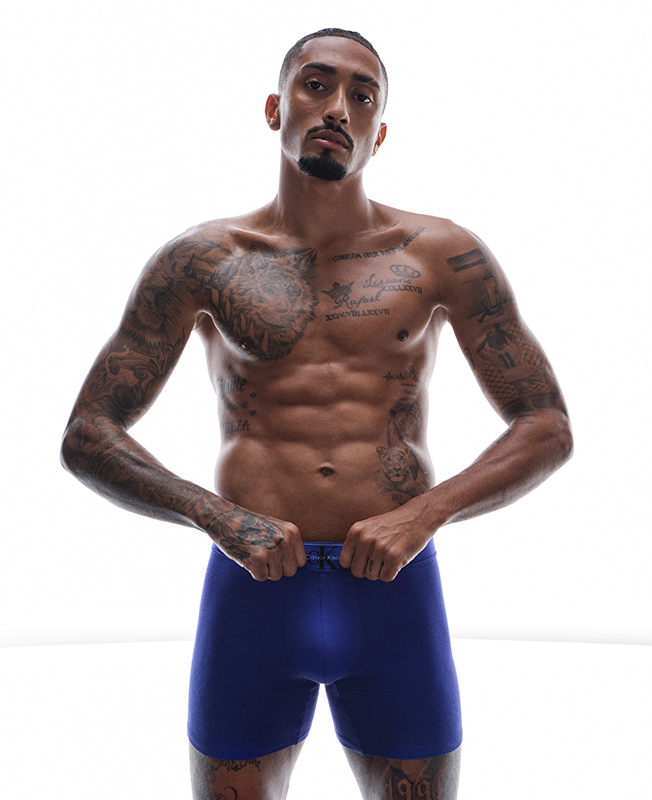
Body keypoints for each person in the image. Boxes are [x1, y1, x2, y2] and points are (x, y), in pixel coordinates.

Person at [61, 27, 572, 800]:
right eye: (317, 84)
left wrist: (424, 514)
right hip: (252, 588)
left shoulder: (440, 255)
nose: (338, 107)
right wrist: (217, 517)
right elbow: (88, 433)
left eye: (362, 97)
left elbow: (546, 424)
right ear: (275, 107)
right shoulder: (203, 260)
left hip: (395, 588)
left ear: (380, 133)